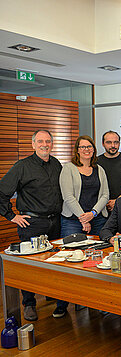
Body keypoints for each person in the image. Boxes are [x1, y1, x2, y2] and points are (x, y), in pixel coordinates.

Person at [0, 130, 63, 321]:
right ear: (33, 144)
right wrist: (11, 216)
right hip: (32, 223)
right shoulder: (22, 166)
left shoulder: (57, 164)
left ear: (52, 144)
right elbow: (2, 193)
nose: (45, 144)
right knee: (29, 266)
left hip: (55, 221)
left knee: (55, 262)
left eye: (48, 141)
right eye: (41, 141)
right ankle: (29, 304)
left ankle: (53, 295)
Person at [60, 135, 109, 237]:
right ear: (77, 150)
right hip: (73, 221)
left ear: (93, 149)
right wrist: (83, 219)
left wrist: (92, 213)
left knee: (100, 251)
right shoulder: (68, 168)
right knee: (71, 251)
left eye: (89, 146)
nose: (86, 149)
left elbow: (105, 195)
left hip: (97, 220)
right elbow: (68, 197)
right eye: (82, 147)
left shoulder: (99, 169)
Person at [97, 130, 121, 212]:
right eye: (109, 142)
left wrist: (117, 201)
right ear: (103, 144)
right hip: (102, 208)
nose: (113, 145)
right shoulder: (96, 162)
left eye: (116, 142)